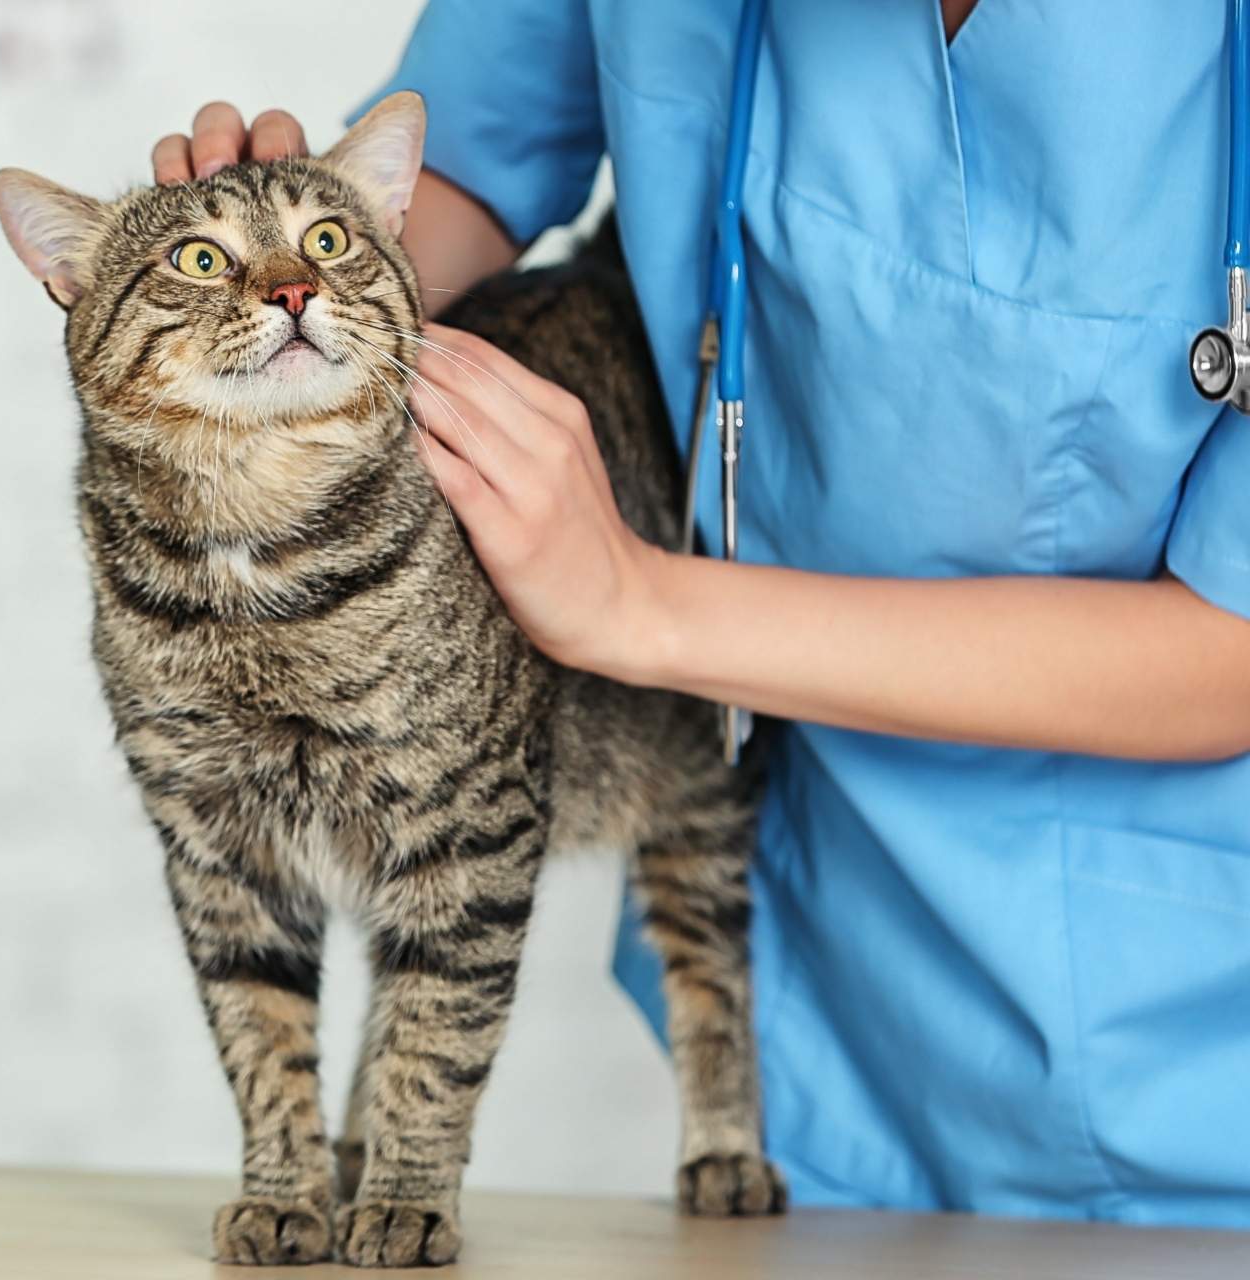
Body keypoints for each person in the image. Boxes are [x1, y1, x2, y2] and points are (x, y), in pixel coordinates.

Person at [150, 0, 1250, 1229]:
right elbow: (456, 163)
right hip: (821, 1011)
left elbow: (1233, 649)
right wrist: (263, 262)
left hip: (1200, 1081)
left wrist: (641, 603)